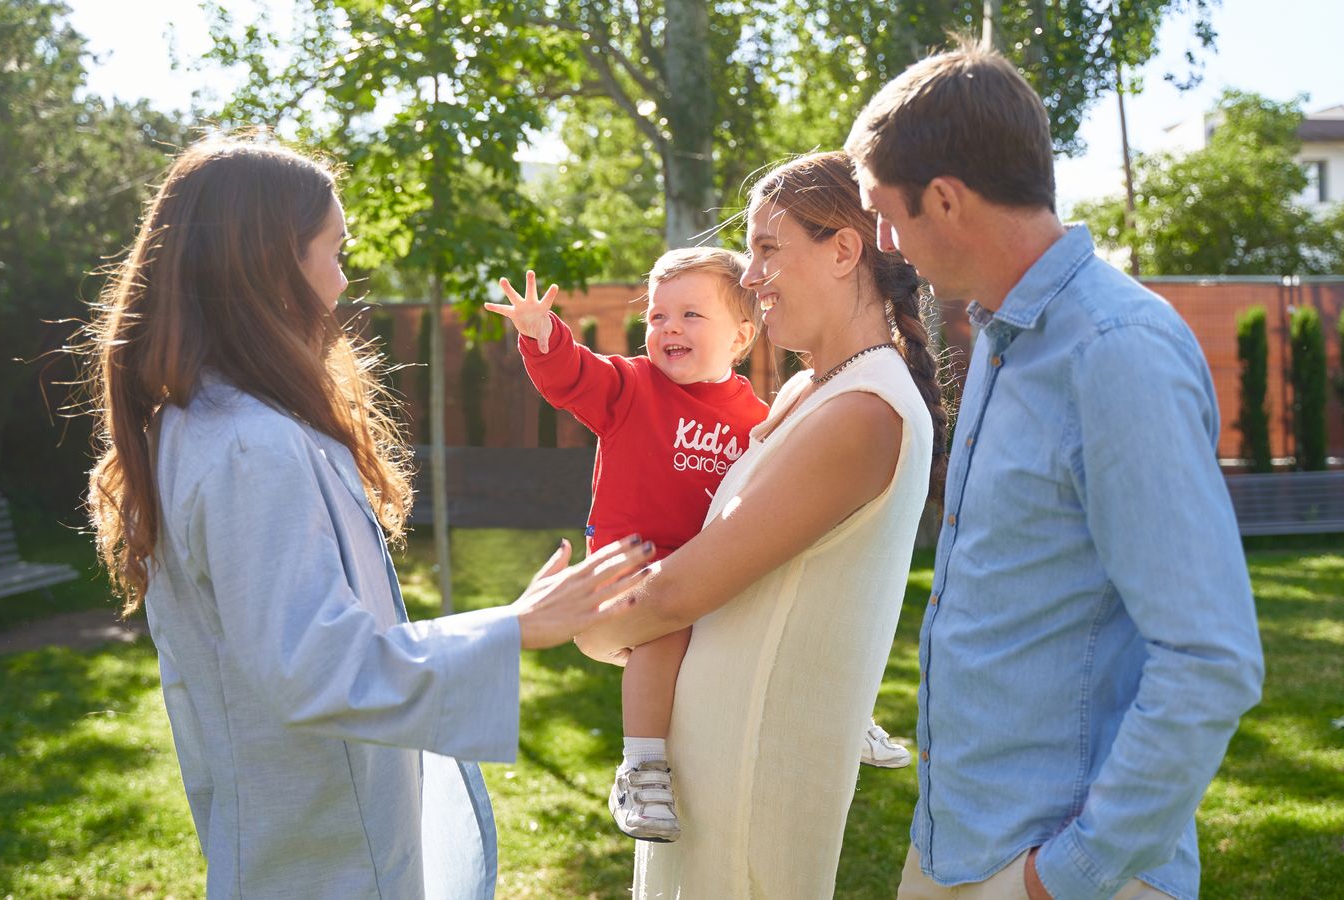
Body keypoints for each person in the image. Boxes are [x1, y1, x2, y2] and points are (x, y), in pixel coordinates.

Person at [81, 137, 653, 899]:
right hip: (321, 857)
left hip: (310, 837)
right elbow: (317, 668)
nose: (344, 281)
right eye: (334, 252)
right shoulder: (250, 446)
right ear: (271, 266)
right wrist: (518, 625)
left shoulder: (211, 422)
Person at [844, 45, 1264, 900]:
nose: (885, 247)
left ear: (948, 200)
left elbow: (1209, 658)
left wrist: (1062, 877)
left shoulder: (1114, 352)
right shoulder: (1003, 337)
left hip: (1056, 868)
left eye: (887, 215)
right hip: (960, 843)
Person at [574, 150, 949, 898]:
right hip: (710, 763)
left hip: (751, 776)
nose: (748, 277)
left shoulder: (862, 411)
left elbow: (681, 593)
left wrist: (582, 622)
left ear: (845, 250)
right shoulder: (813, 389)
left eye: (767, 249)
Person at [487, 250, 769, 842]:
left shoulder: (756, 420)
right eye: (658, 316)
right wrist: (543, 333)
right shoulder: (631, 387)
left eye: (691, 314)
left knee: (768, 615)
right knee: (662, 632)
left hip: (706, 575)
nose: (668, 328)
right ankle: (642, 766)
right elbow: (573, 375)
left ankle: (836, 715)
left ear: (741, 335)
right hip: (631, 573)